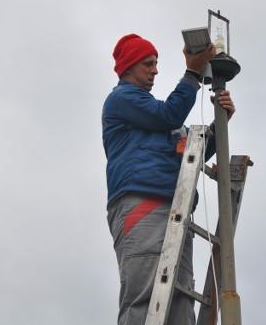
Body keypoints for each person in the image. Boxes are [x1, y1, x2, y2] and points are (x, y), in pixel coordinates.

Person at [102, 33, 236, 325]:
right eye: (148, 64)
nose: (155, 70)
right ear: (129, 67)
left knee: (178, 299)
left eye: (156, 64)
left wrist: (220, 121)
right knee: (145, 296)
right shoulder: (122, 99)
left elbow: (193, 151)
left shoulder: (157, 119)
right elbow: (170, 115)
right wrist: (192, 73)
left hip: (175, 209)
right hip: (143, 203)